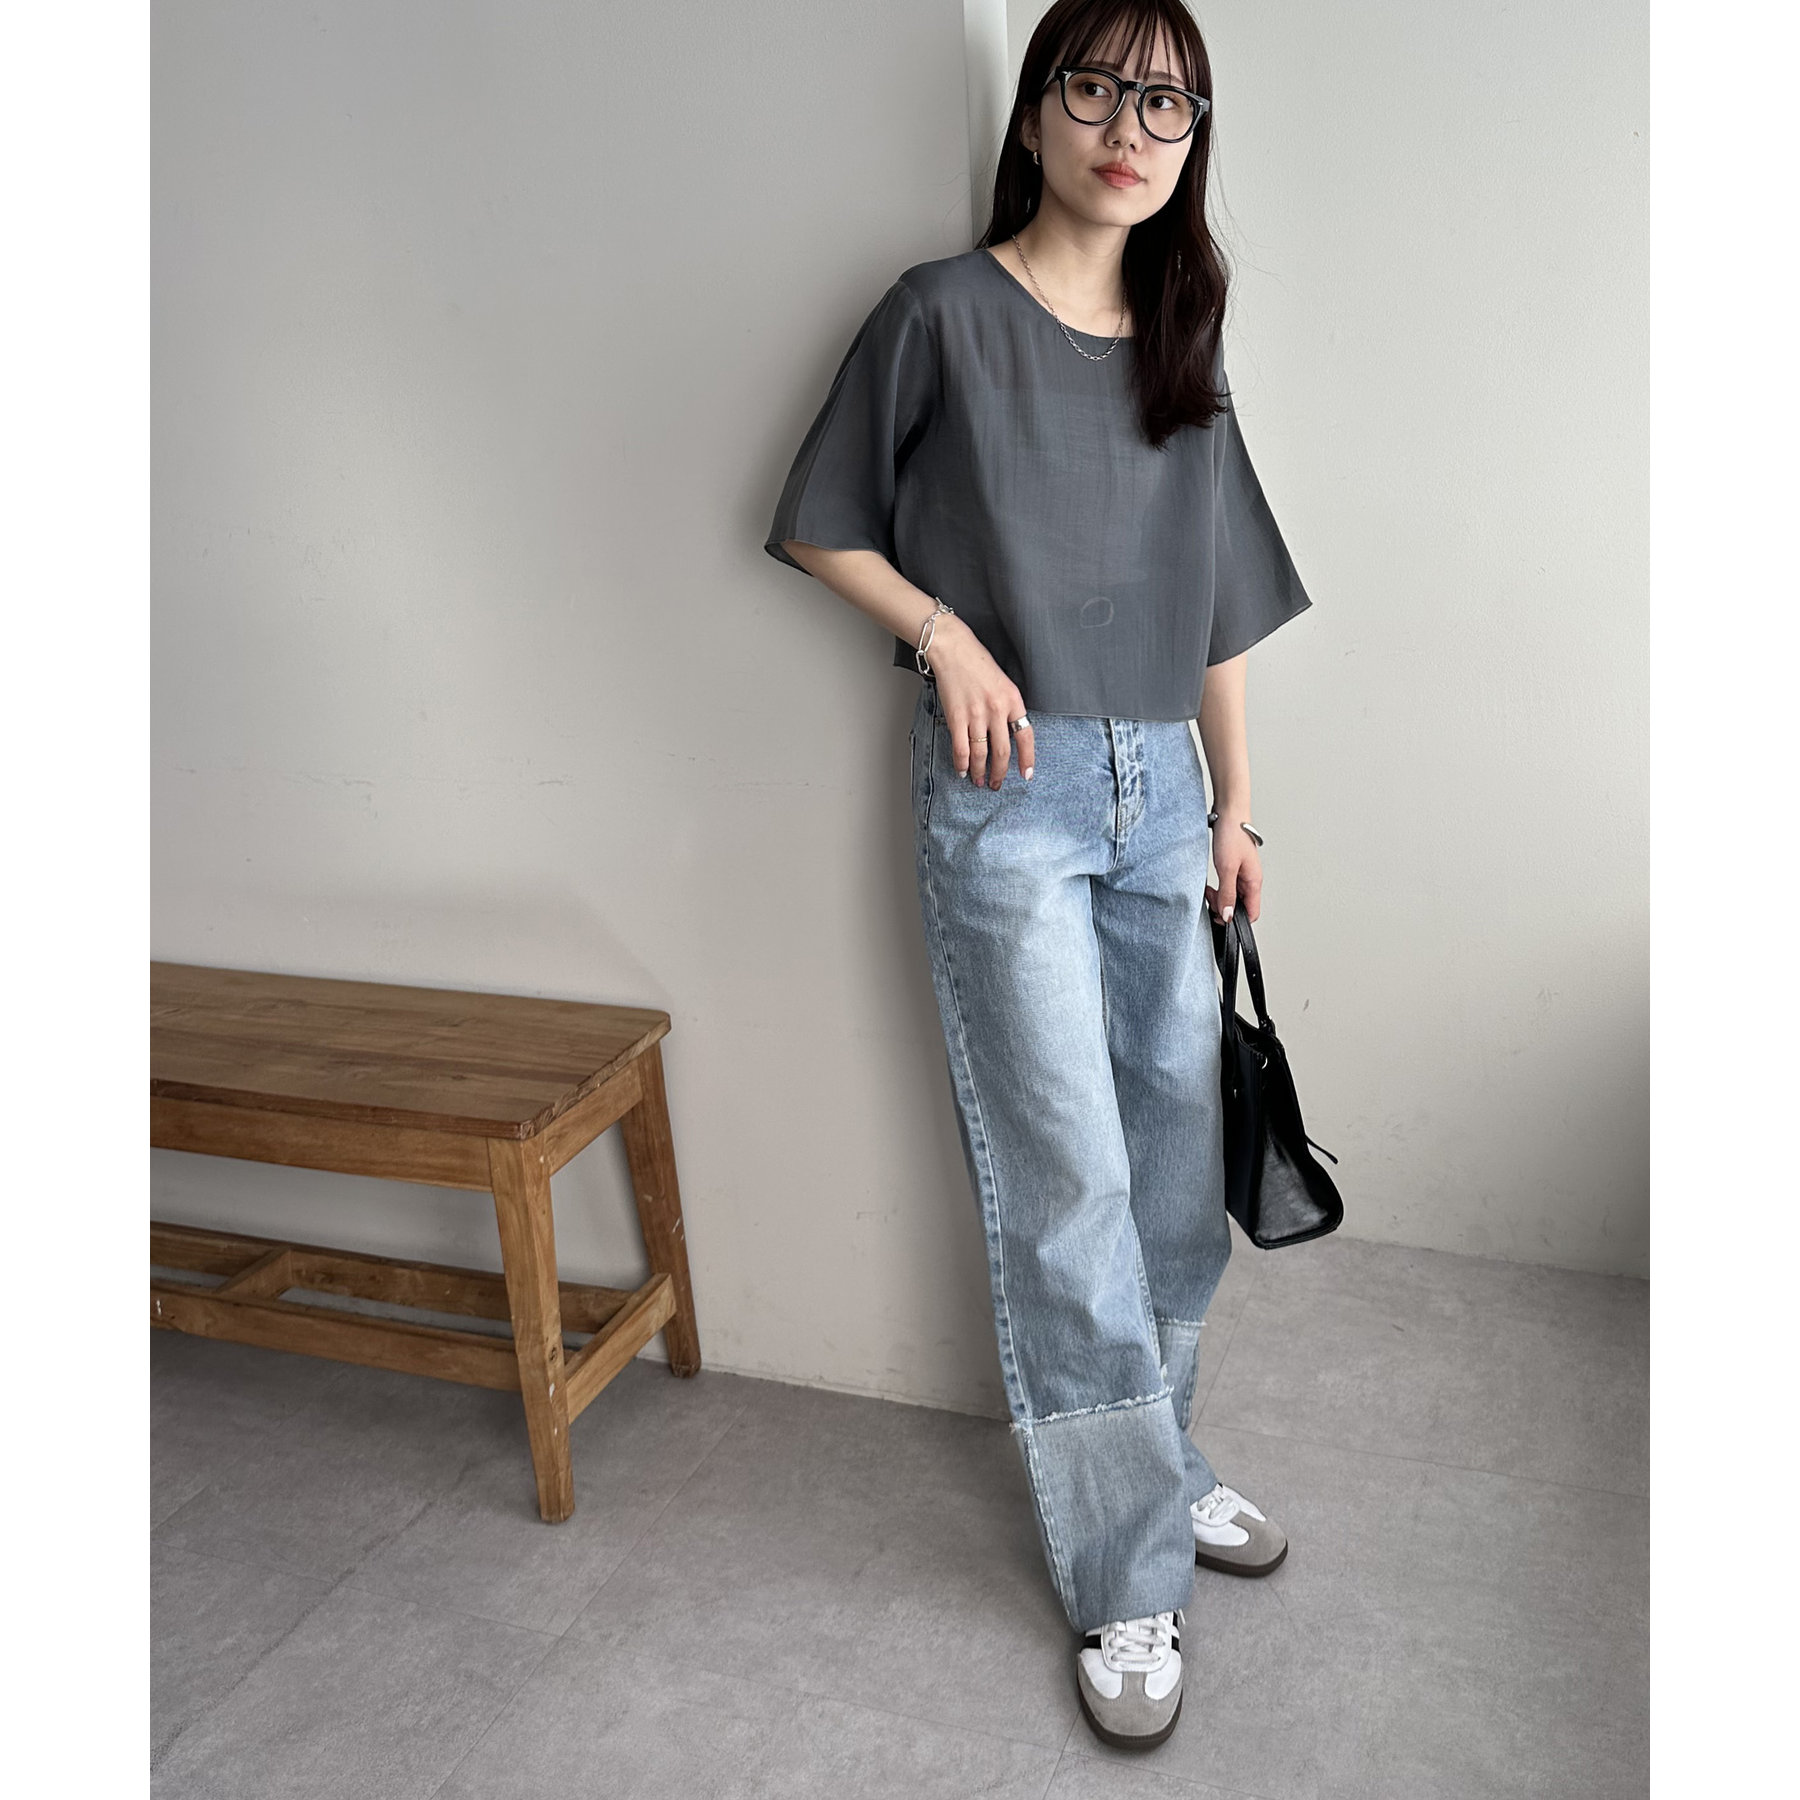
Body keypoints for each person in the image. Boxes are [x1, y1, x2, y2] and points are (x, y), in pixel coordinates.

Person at [763, 0, 1312, 1752]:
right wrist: (947, 638)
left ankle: (1161, 1461)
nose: (1129, 126)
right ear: (1036, 109)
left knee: (1172, 1177)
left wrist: (1237, 808)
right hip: (1009, 794)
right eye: (1097, 86)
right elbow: (817, 520)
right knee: (1068, 1181)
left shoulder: (1183, 337)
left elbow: (1220, 600)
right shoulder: (940, 312)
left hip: (1164, 796)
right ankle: (1126, 1565)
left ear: (1192, 139)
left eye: (1169, 102)